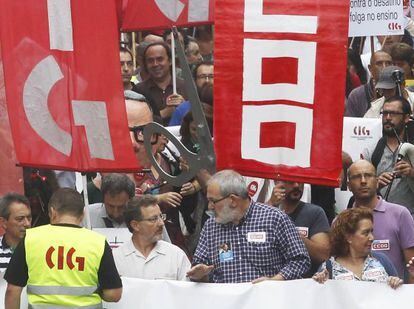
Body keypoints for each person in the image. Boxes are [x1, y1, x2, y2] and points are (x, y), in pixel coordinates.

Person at [4, 188, 122, 308]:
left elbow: (12, 290)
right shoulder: (98, 242)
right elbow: (114, 294)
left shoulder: (30, 238)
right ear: (82, 214)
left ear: (52, 212)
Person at [187, 170, 310, 283]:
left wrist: (275, 281)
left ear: (232, 200)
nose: (210, 207)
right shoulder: (211, 226)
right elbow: (199, 265)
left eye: (213, 201)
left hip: (266, 301)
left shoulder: (274, 218)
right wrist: (200, 273)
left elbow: (300, 260)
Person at [346, 159, 414, 282]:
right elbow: (334, 263)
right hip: (353, 298)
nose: (363, 181)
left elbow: (412, 267)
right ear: (348, 185)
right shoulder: (341, 221)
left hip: (393, 295)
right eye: (356, 177)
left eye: (368, 175)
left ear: (377, 182)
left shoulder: (400, 214)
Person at [313, 208, 403, 289]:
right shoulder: (328, 267)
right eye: (365, 233)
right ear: (348, 237)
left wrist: (395, 283)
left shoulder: (382, 260)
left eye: (371, 232)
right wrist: (319, 284)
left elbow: (399, 296)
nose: (372, 238)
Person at [113, 195, 191, 280]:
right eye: (153, 219)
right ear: (135, 225)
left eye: (161, 216)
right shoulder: (117, 258)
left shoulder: (176, 255)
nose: (161, 223)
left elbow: (187, 290)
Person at [266, 180, 330, 277]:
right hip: (272, 282)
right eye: (291, 181)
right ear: (277, 183)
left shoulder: (315, 212)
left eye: (300, 181)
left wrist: (291, 233)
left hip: (305, 284)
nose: (296, 185)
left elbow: (323, 255)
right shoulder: (266, 211)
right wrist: (271, 204)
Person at [362, 96, 414, 213]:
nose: (388, 118)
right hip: (380, 217)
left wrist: (411, 173)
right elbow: (359, 187)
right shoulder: (371, 152)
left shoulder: (412, 149)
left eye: (393, 113)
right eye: (385, 113)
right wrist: (376, 184)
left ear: (406, 118)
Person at [132, 42, 187, 125]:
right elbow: (136, 120)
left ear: (170, 61)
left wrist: (184, 107)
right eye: (150, 60)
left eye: (160, 59)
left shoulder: (186, 86)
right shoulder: (138, 90)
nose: (155, 64)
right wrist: (165, 112)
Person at [345, 50, 392, 117]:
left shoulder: (400, 90)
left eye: (388, 63)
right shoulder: (357, 95)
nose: (385, 67)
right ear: (370, 68)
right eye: (379, 63)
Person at [0, 193, 31, 272]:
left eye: (29, 218)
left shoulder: (40, 246)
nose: (27, 223)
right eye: (20, 219)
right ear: (3, 222)